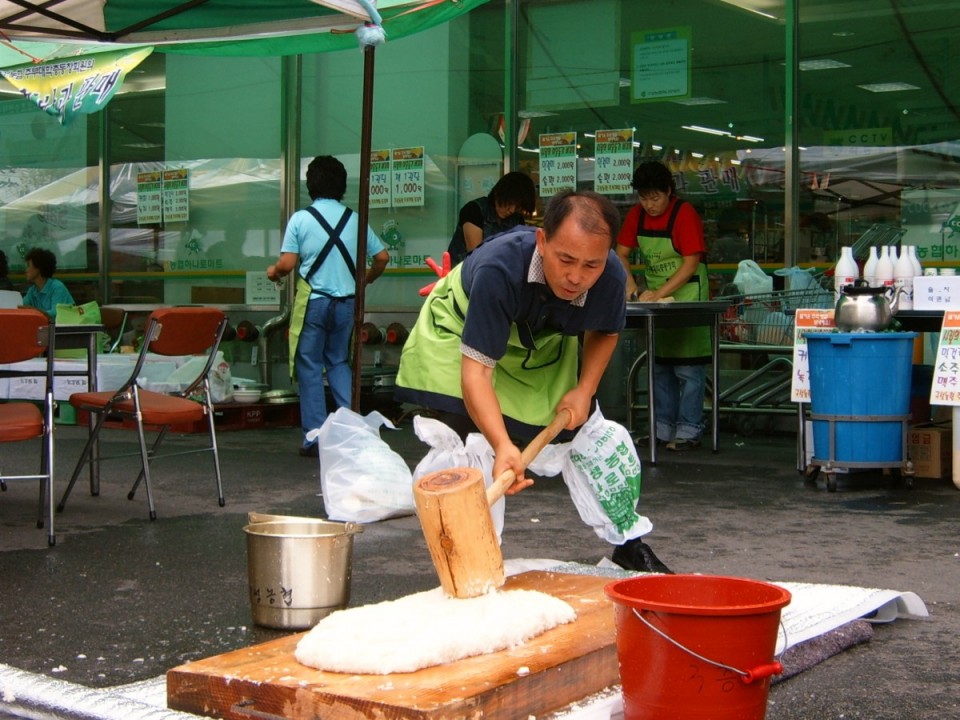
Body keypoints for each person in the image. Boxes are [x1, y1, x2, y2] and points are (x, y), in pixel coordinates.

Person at [397, 190, 672, 574]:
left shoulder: (610, 276)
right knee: (466, 439)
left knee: (590, 432)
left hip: (541, 343)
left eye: (591, 265)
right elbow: (477, 373)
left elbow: (606, 332)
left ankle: (628, 544)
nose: (576, 277)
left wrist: (585, 389)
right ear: (542, 241)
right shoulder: (500, 269)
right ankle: (472, 563)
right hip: (460, 333)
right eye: (566, 260)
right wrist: (502, 444)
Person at [267, 155, 390, 458]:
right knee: (338, 362)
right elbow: (382, 257)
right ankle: (353, 433)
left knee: (309, 366)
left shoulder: (300, 219)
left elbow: (288, 263)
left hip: (314, 302)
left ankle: (315, 437)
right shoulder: (355, 219)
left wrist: (274, 272)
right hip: (346, 304)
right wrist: (366, 280)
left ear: (310, 185)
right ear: (342, 186)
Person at [616, 161, 709, 452]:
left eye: (655, 197)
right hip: (656, 299)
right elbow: (621, 254)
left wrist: (659, 293)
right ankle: (661, 429)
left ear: (668, 191)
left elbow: (691, 262)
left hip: (689, 295)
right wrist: (631, 286)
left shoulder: (684, 214)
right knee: (660, 366)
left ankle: (689, 430)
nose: (649, 205)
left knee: (689, 369)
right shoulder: (636, 216)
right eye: (644, 198)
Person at [446, 171, 537, 265]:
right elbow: (475, 256)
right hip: (465, 270)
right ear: (498, 194)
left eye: (517, 207)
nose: (512, 210)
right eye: (509, 203)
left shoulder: (517, 219)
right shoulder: (474, 210)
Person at [22, 247, 75, 318]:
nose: (26, 270)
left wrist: (33, 310)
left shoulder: (57, 287)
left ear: (39, 267)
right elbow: (22, 307)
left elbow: (55, 315)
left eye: (28, 266)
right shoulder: (32, 290)